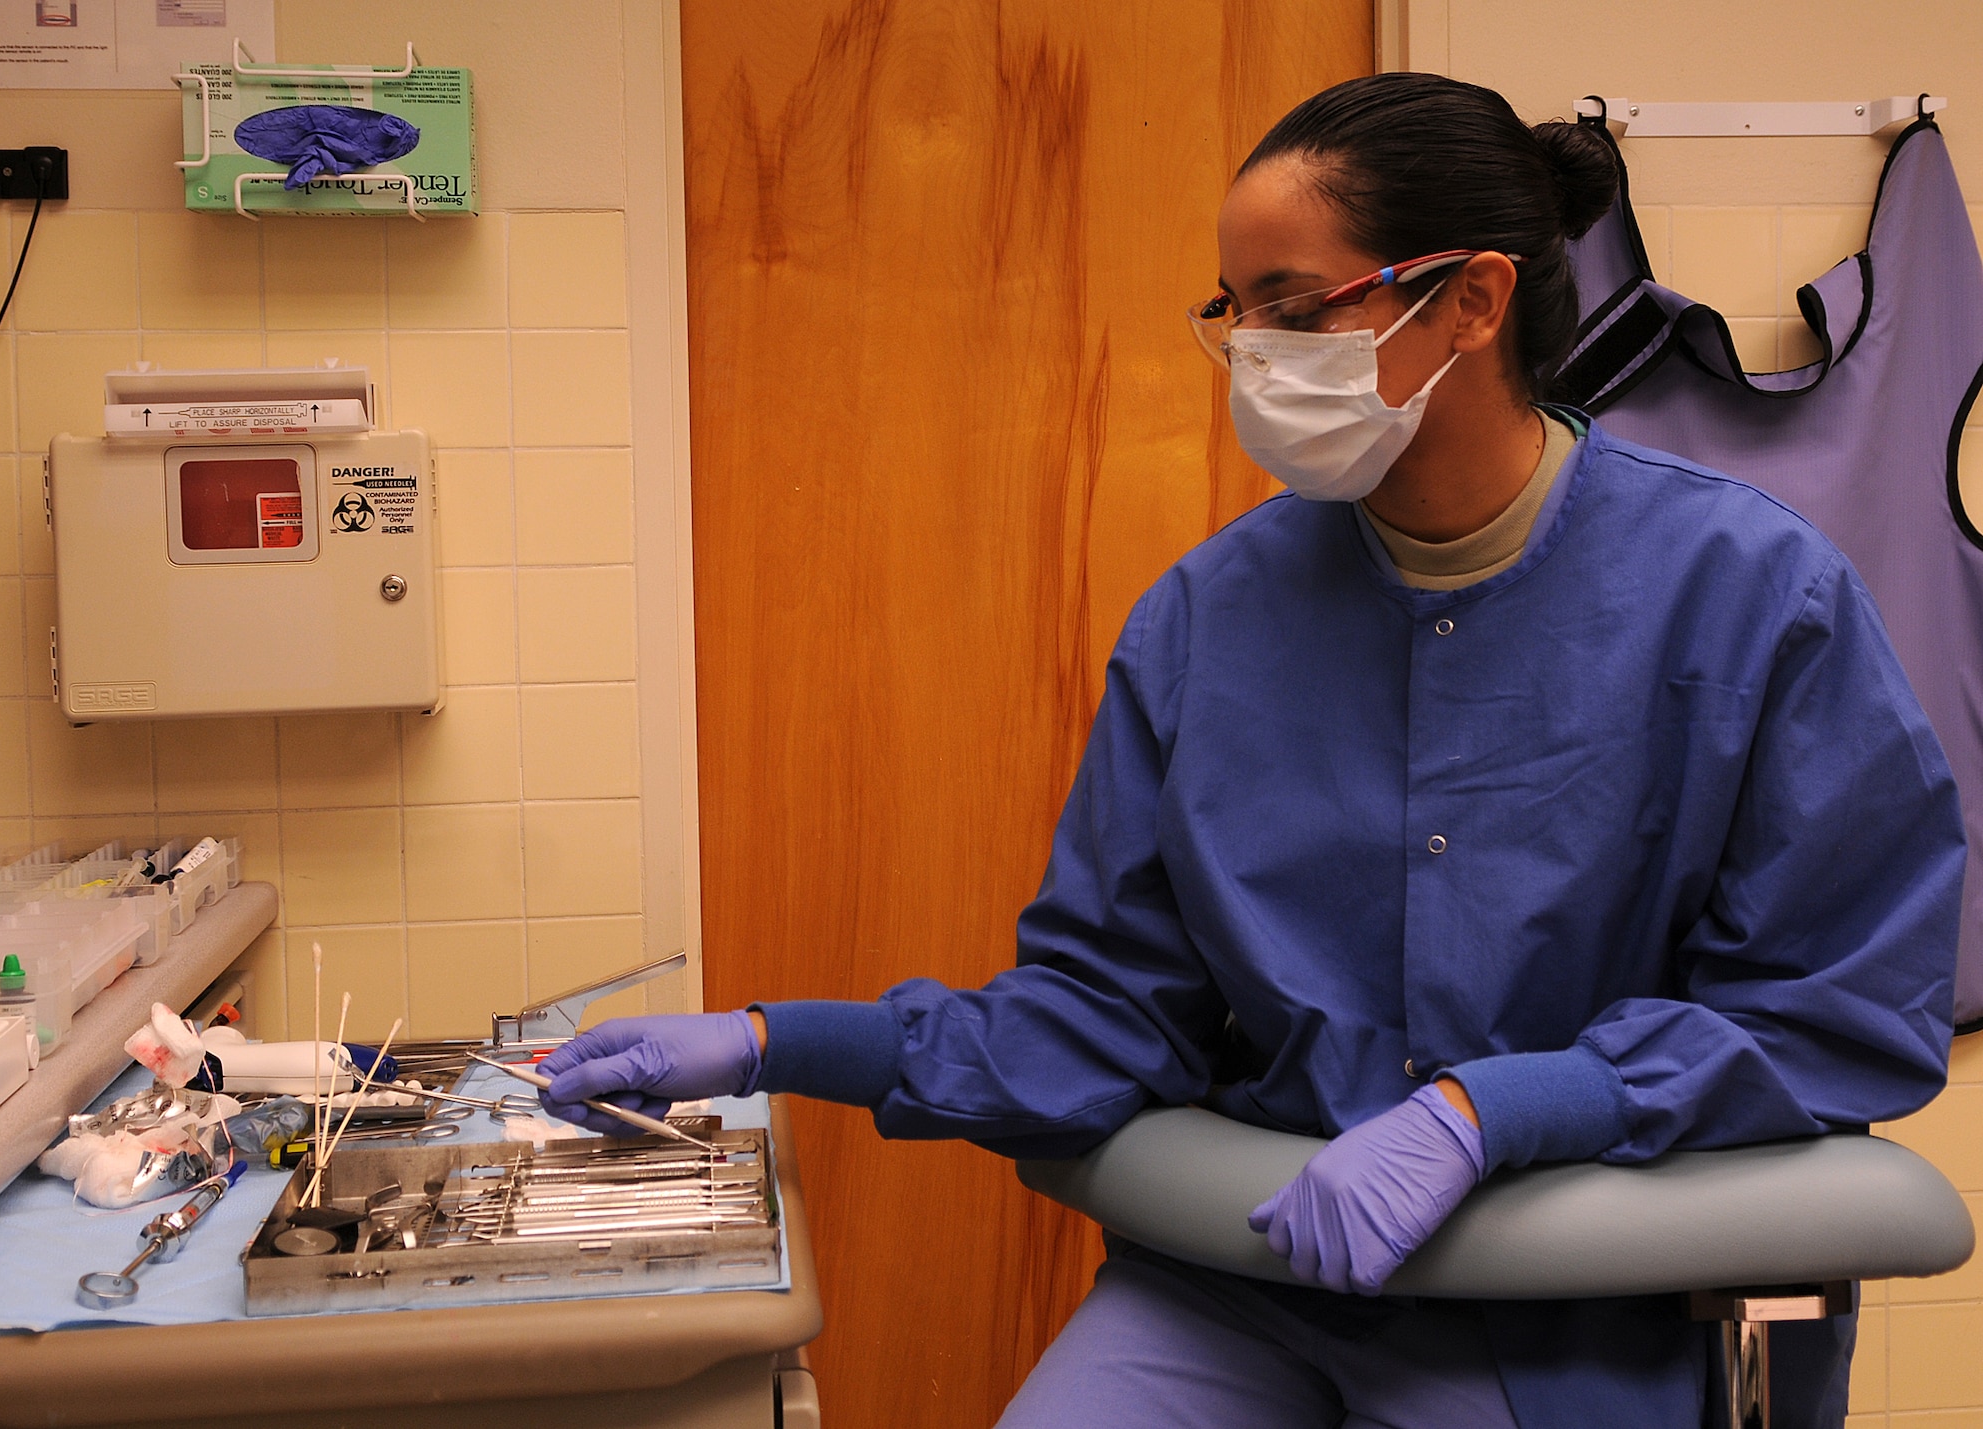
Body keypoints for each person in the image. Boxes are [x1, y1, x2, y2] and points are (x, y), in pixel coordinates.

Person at [536, 73, 1963, 1428]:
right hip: (1257, 1287)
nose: (1258, 353)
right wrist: (779, 1040)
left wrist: (1498, 1105)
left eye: (1297, 306)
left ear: (1471, 300)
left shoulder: (1756, 598)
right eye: (1238, 311)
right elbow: (1105, 1016)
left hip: (1574, 1306)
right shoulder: (1208, 622)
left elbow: (1838, 1009)